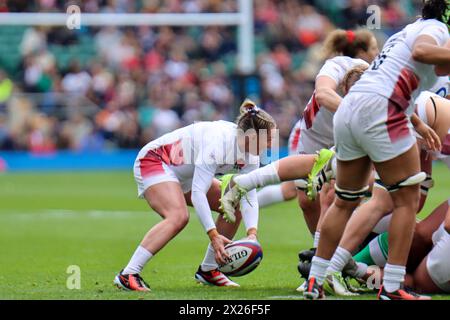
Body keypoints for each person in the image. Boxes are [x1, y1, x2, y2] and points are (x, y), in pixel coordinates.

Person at [303, 0, 450, 300]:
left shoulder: (409, 30)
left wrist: (418, 124)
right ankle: (393, 286)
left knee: (344, 201)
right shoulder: (435, 29)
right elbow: (422, 53)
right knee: (407, 200)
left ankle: (315, 281)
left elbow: (391, 77)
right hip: (383, 110)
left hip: (353, 109)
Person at [114, 99, 277, 291]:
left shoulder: (252, 156)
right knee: (178, 216)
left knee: (234, 204)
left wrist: (252, 233)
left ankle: (209, 270)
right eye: (267, 140)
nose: (270, 145)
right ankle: (128, 274)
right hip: (155, 160)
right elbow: (198, 192)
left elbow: (248, 194)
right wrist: (213, 234)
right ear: (251, 136)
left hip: (185, 174)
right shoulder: (219, 142)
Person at [256, 29, 379, 233]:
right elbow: (323, 94)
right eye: (374, 47)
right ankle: (321, 249)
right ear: (361, 51)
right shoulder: (337, 66)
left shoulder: (377, 77)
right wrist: (354, 114)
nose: (377, 52)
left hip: (346, 142)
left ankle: (328, 249)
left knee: (337, 194)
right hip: (312, 138)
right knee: (305, 199)